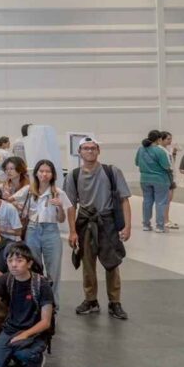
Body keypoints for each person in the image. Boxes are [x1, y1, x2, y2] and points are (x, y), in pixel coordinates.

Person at [64, 137, 131, 320]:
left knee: (112, 263)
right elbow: (70, 205)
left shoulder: (111, 171)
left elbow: (124, 199)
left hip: (107, 222)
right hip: (85, 222)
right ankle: (91, 300)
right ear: (80, 152)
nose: (90, 151)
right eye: (86, 148)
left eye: (93, 148)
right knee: (87, 263)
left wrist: (127, 226)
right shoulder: (73, 176)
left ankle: (114, 302)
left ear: (98, 150)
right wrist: (72, 231)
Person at [0, 243, 54, 367]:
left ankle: (35, 359)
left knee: (24, 354)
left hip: (34, 332)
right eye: (10, 261)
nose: (14, 265)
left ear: (29, 263)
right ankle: (16, 354)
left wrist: (25, 334)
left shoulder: (41, 284)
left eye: (19, 260)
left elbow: (46, 322)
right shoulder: (6, 279)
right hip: (11, 329)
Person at [11, 159, 69, 307]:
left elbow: (61, 219)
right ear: (36, 173)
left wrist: (60, 207)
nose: (44, 174)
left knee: (54, 269)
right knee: (33, 266)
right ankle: (35, 301)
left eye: (48, 171)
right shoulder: (29, 190)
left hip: (51, 230)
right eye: (41, 171)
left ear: (53, 174)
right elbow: (10, 200)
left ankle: (52, 304)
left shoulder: (58, 193)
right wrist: (21, 208)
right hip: (32, 229)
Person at [136, 130, 172, 233]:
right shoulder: (160, 151)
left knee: (147, 201)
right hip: (160, 180)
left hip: (144, 179)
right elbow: (166, 166)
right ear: (159, 139)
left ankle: (146, 225)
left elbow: (137, 163)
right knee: (160, 203)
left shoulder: (141, 149)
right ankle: (160, 226)